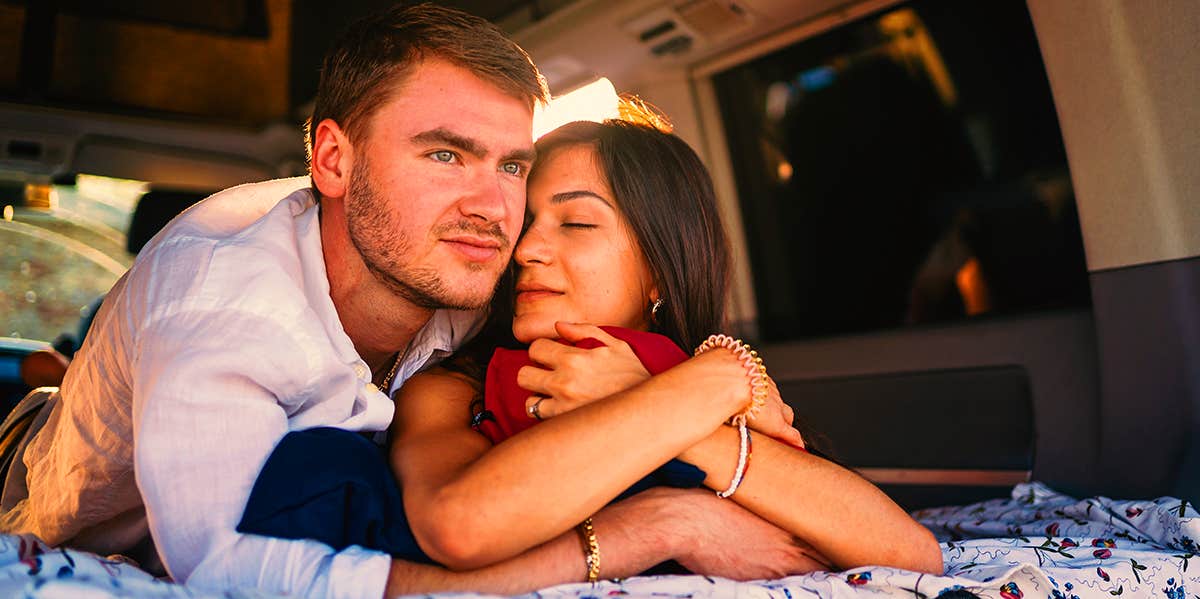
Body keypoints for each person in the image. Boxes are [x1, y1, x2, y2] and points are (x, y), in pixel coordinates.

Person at [0, 5, 814, 598]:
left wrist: (728, 371)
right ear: (332, 160)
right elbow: (230, 574)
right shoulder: (224, 307)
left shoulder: (480, 270)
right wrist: (644, 533)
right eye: (446, 153)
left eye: (510, 165)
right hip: (42, 481)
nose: (496, 210)